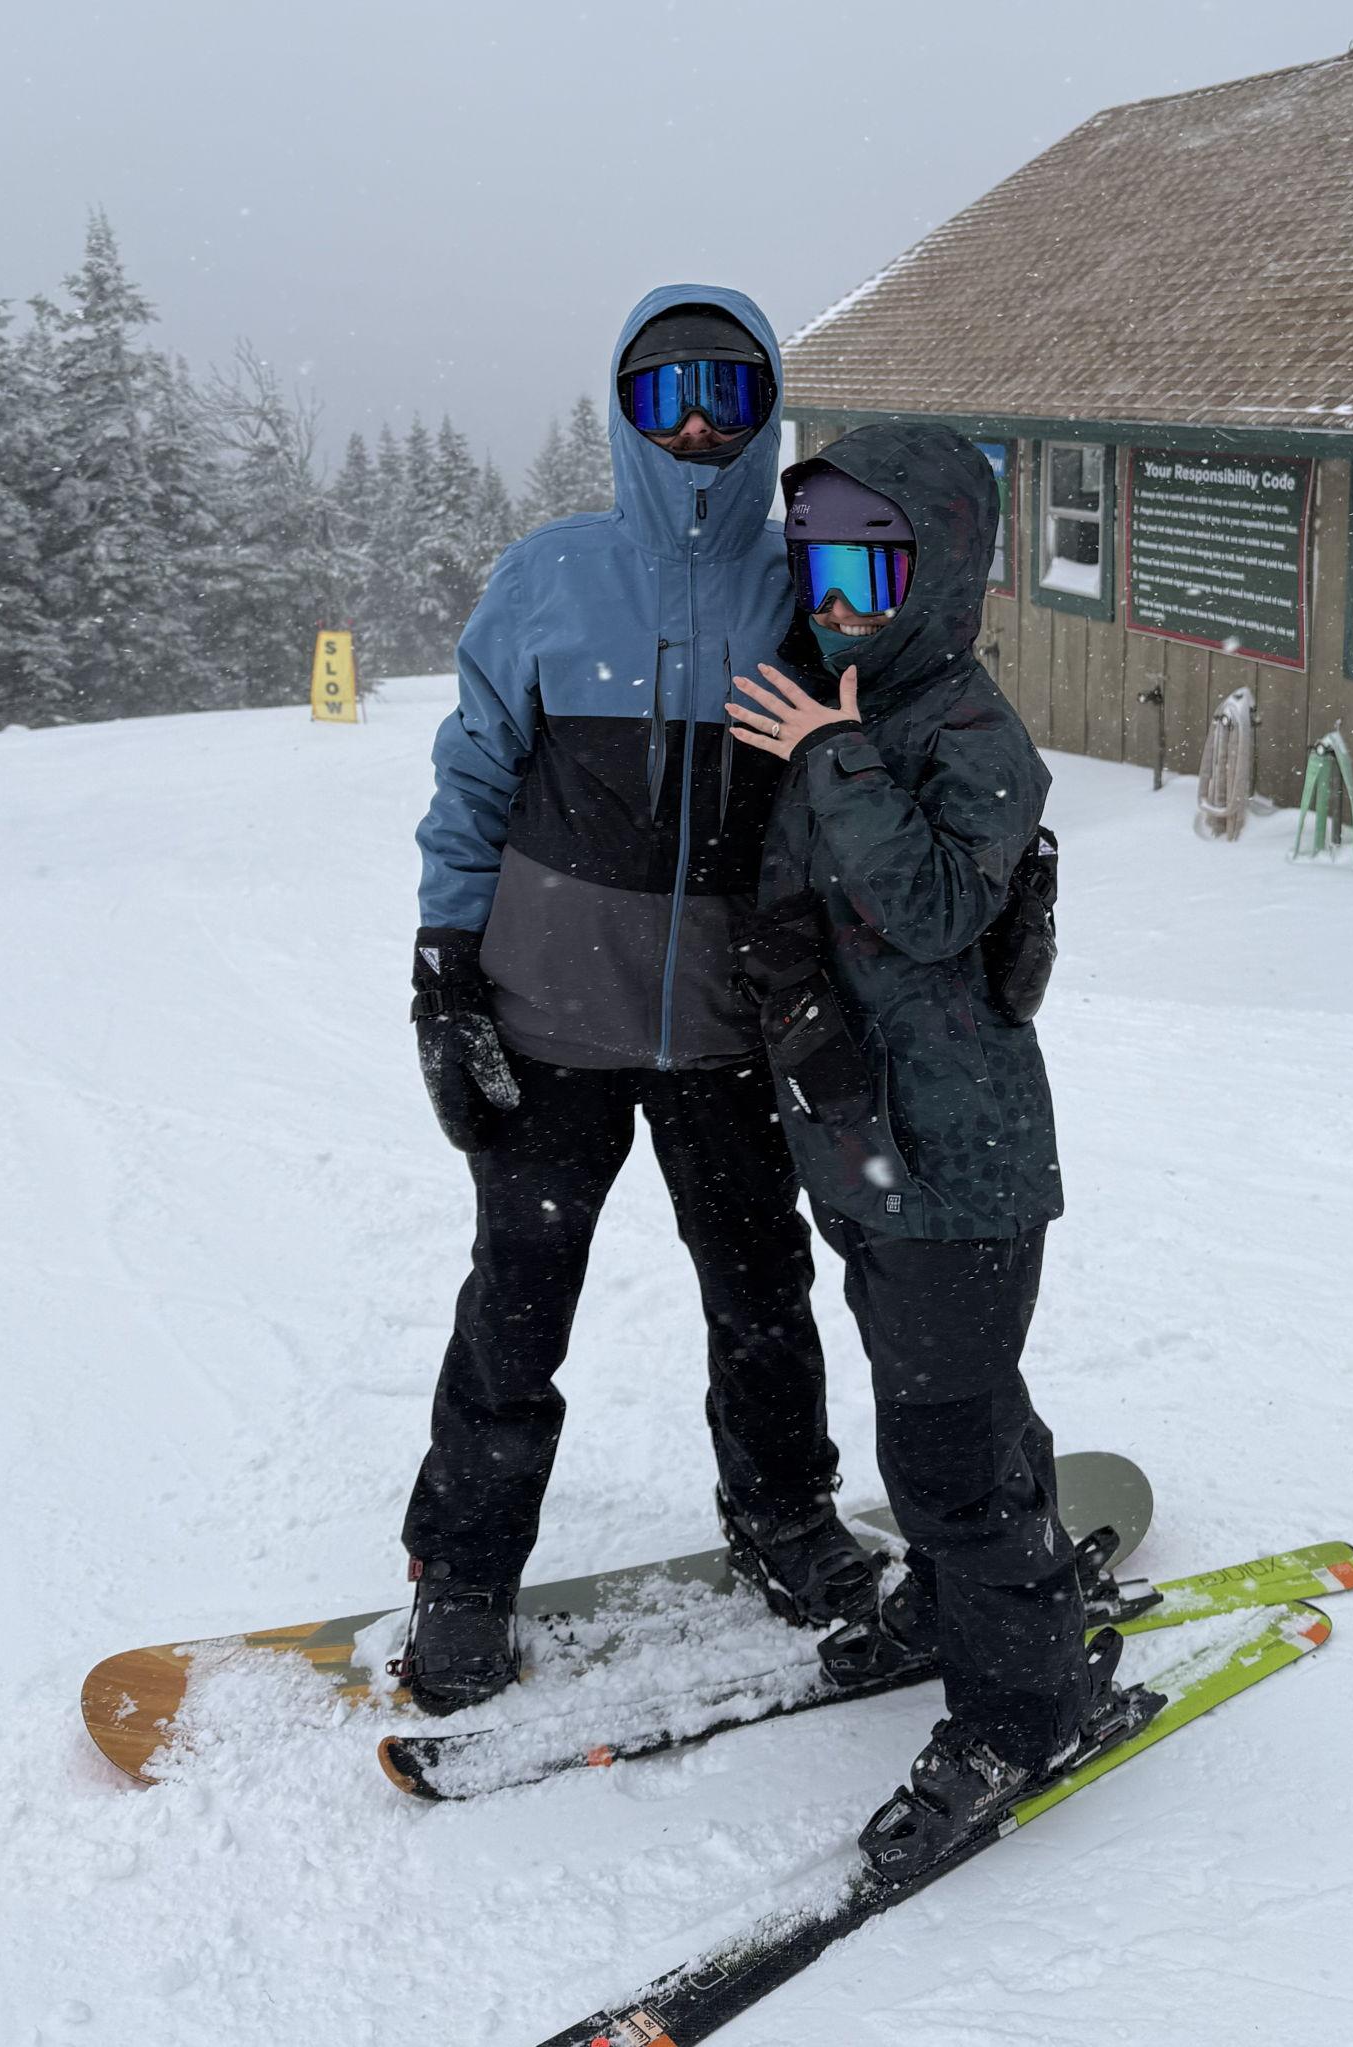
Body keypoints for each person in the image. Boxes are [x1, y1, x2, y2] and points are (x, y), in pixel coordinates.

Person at [398, 286, 878, 1714]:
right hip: (551, 1020)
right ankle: (467, 1573)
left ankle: (784, 1515)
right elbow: (474, 779)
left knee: (761, 1293)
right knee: (519, 1304)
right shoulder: (551, 578)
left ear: (768, 407)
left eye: (729, 397)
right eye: (666, 399)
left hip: (734, 1028)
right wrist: (441, 972)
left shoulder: (809, 588)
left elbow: (878, 751)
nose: (698, 430)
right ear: (623, 412)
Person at [725, 422, 1146, 1882]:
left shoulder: (968, 734)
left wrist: (833, 756)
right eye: (819, 559)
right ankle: (982, 1591)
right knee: (951, 1395)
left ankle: (1024, 1708)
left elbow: (933, 910)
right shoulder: (837, 703)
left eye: (872, 561)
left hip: (959, 1164)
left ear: (936, 571)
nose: (837, 591)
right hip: (868, 1155)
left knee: (942, 1447)